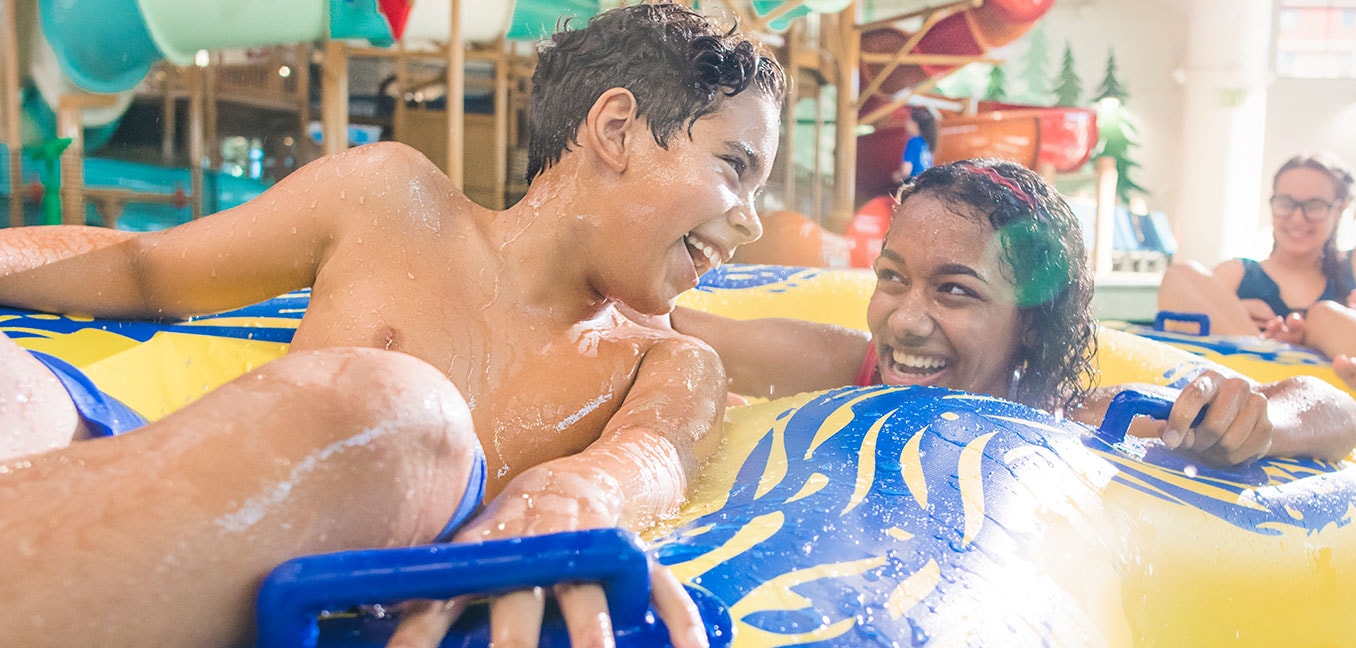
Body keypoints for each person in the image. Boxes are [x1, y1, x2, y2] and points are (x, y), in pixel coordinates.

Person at [0, 4, 782, 647]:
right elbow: (144, 268)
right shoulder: (389, 199)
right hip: (173, 491)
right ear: (616, 129)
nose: (751, 222)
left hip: (326, 570)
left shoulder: (670, 362)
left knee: (399, 417)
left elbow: (644, 459)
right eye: (735, 167)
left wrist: (575, 496)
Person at [670, 159, 1356, 468]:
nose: (906, 320)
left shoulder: (1079, 420)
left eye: (955, 291)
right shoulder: (850, 367)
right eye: (892, 278)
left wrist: (1259, 422)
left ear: (1030, 319)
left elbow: (1337, 410)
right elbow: (674, 330)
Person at [1156, 153, 1356, 409]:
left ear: (1339, 211)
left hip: (1340, 387)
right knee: (1182, 273)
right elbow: (1179, 331)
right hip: (1252, 376)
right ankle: (1262, 355)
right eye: (1286, 204)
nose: (1297, 218)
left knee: (1324, 314)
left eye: (1314, 206)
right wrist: (1237, 315)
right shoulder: (1236, 274)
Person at [892, 106, 937, 184]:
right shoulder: (925, 142)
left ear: (915, 124)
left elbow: (906, 171)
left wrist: (897, 176)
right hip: (926, 183)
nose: (906, 122)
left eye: (908, 120)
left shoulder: (913, 142)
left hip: (915, 184)